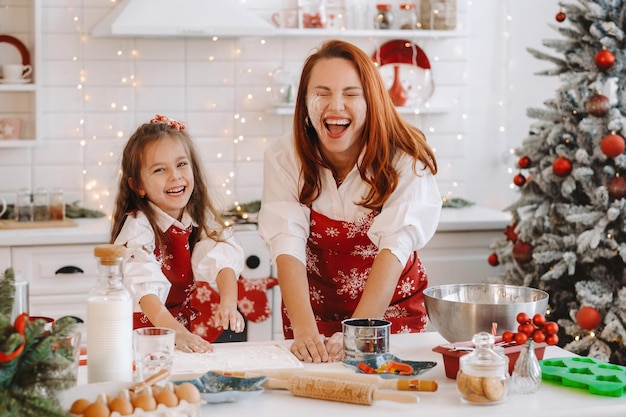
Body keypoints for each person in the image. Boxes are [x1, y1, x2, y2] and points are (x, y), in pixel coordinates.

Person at [258, 40, 442, 363]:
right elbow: (287, 243)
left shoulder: (406, 158)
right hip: (311, 318)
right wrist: (304, 331)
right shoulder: (283, 157)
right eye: (322, 93)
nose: (336, 106)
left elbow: (393, 249)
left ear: (371, 100)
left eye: (351, 94)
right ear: (303, 102)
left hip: (390, 316)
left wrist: (358, 332)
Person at [110, 114, 245, 353]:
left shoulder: (198, 216)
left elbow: (222, 257)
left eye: (181, 164)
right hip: (144, 337)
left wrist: (228, 303)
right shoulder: (138, 226)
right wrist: (178, 335)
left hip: (178, 331)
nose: (175, 176)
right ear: (138, 186)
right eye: (160, 169)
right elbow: (146, 293)